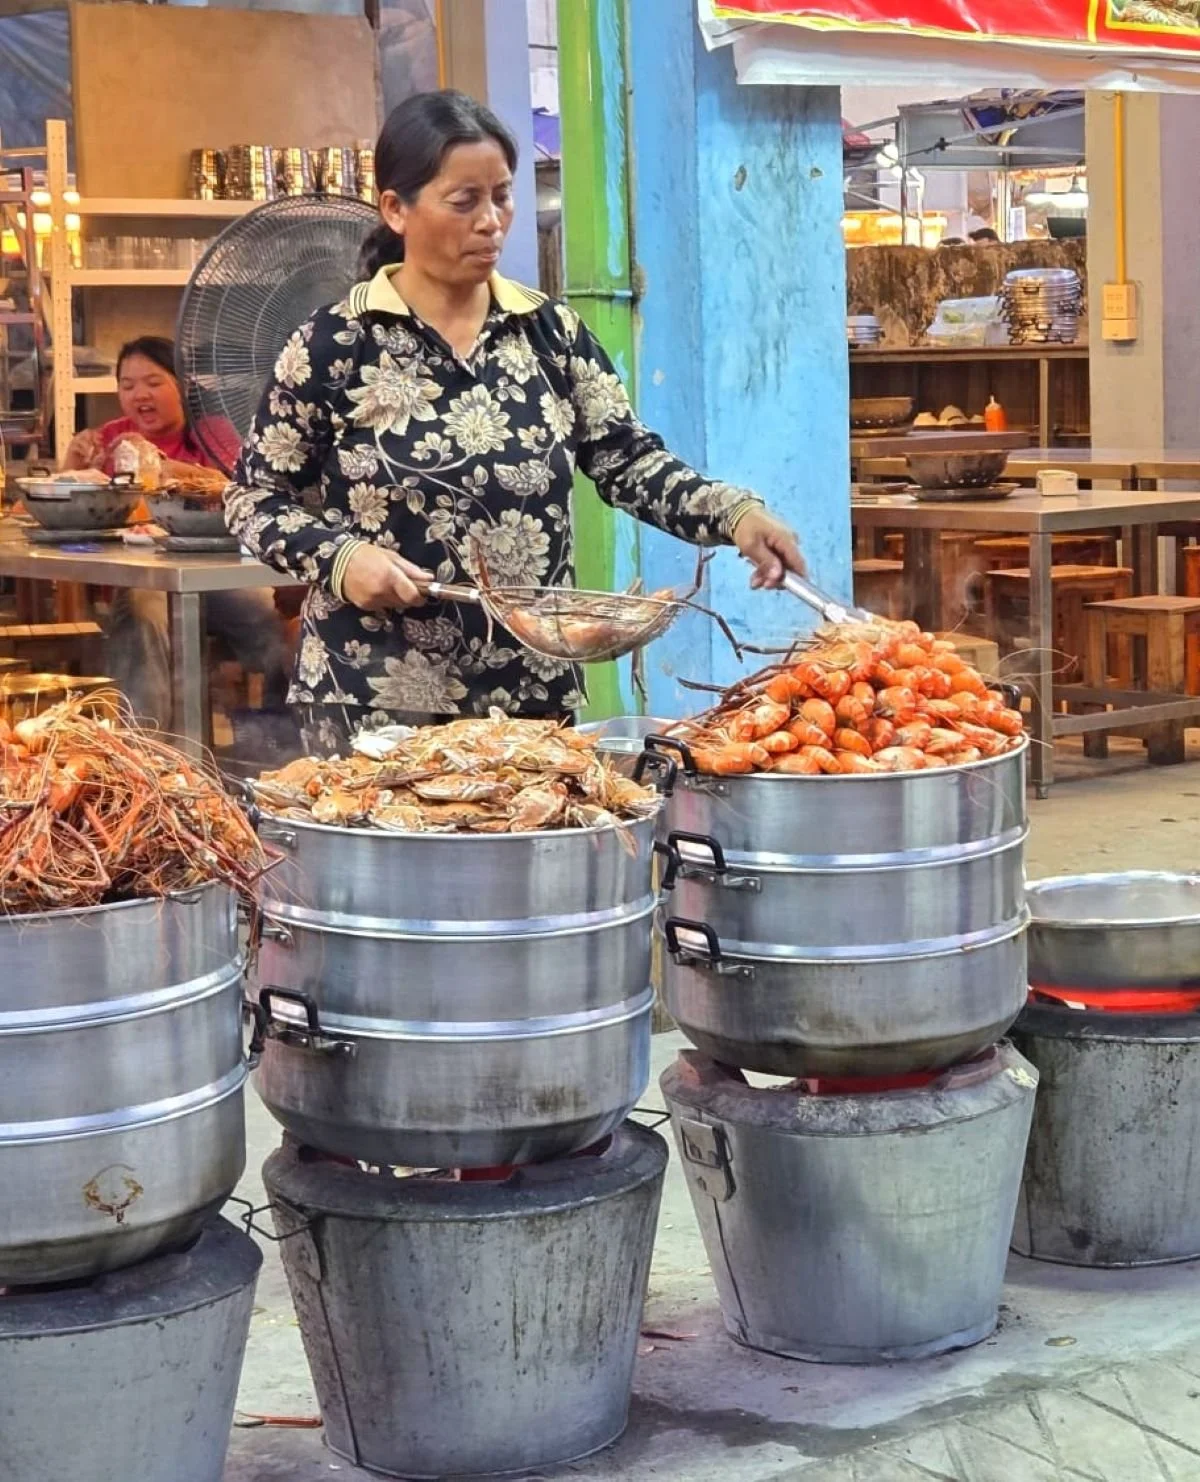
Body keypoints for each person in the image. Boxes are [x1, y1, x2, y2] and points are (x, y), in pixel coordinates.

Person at [226, 90, 805, 755]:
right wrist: (341, 557)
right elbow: (252, 499)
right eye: (463, 200)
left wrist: (735, 516)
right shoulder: (336, 343)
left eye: (501, 196)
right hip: (372, 697)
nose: (492, 221)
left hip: (530, 699)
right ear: (396, 208)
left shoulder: (550, 335)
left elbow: (630, 462)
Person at [63, 336, 290, 729]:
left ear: (182, 385)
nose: (139, 395)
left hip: (218, 578)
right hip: (144, 577)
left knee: (265, 619)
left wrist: (170, 470)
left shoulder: (214, 432)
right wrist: (73, 461)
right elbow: (65, 507)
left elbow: (242, 492)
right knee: (142, 611)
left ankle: (279, 733)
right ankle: (148, 751)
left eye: (153, 382)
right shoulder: (111, 439)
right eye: (127, 385)